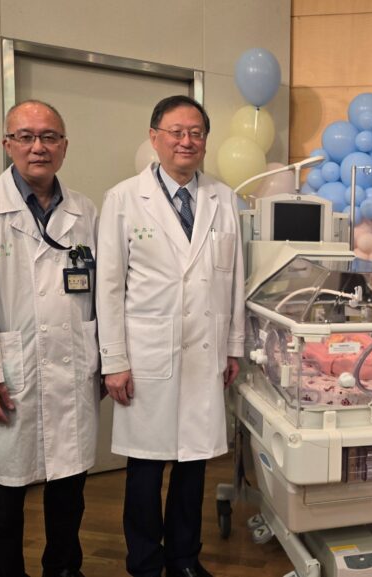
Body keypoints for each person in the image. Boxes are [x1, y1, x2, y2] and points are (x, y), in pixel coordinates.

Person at [0, 100, 100, 577]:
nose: (39, 147)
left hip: (72, 368)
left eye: (49, 137)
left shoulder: (85, 211)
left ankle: (64, 569)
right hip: (11, 374)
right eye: (26, 136)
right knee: (5, 497)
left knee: (69, 492)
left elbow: (102, 294)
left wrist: (104, 360)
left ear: (64, 146)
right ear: (7, 144)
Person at [95, 95, 245, 577]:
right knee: (144, 469)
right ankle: (144, 561)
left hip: (204, 352)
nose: (187, 141)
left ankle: (184, 558)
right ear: (154, 137)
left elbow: (235, 280)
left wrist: (234, 347)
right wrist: (114, 360)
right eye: (176, 132)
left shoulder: (224, 198)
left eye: (196, 133)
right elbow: (108, 287)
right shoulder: (123, 199)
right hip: (146, 356)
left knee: (193, 466)